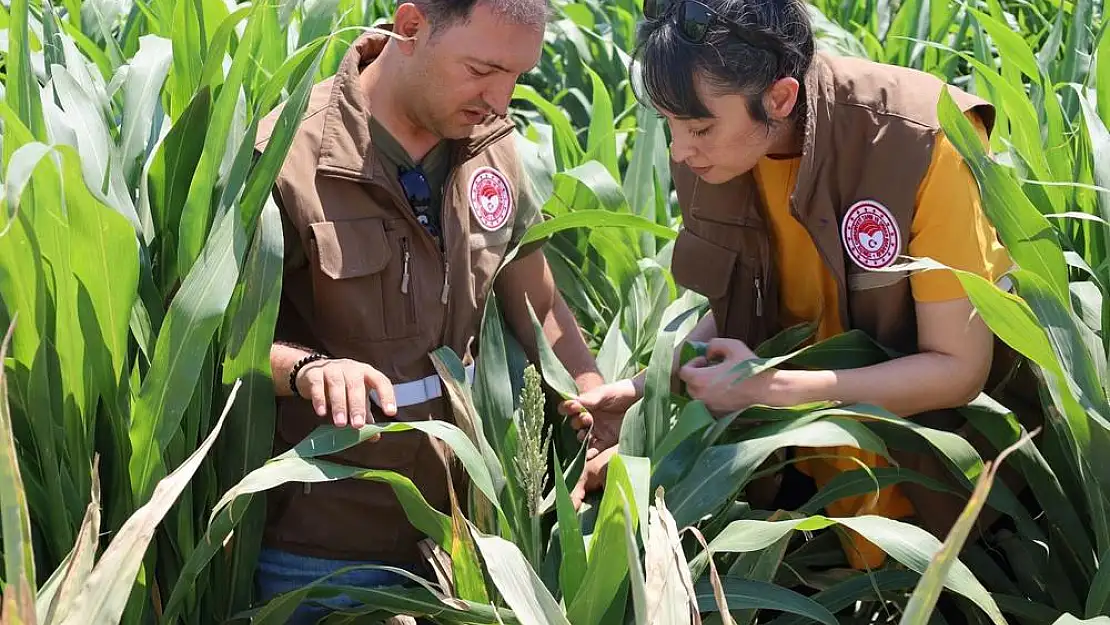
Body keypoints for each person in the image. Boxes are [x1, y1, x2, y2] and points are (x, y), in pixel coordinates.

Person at [562, 0, 1042, 571]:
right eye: (668, 123)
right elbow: (759, 301)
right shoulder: (722, 150)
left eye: (697, 127)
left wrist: (767, 388)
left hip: (935, 508)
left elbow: (958, 368)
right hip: (808, 493)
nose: (678, 150)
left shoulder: (922, 143)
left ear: (780, 98)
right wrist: (650, 384)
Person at [252, 1, 615, 621]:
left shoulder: (492, 152)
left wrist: (591, 399)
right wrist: (310, 368)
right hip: (324, 549)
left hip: (459, 539)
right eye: (482, 70)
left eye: (518, 78)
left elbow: (540, 309)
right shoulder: (287, 153)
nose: (499, 100)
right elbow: (212, 341)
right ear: (412, 26)